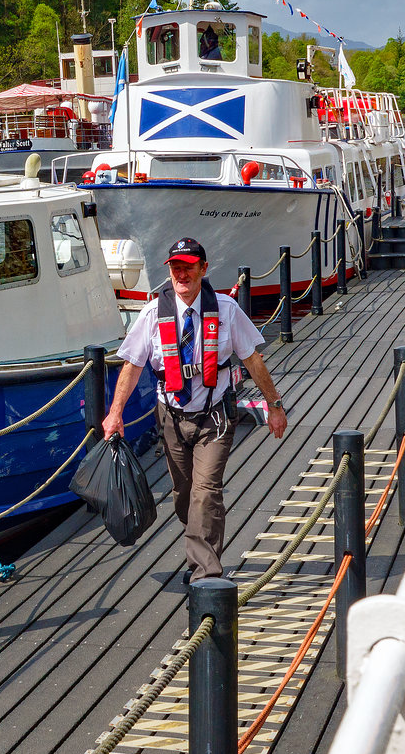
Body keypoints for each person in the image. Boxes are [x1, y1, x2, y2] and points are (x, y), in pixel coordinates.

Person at [103, 237, 288, 584]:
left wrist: (273, 405)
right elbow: (131, 366)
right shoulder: (152, 313)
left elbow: (252, 358)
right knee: (185, 495)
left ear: (204, 269)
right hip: (171, 417)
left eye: (189, 266)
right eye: (176, 267)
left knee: (206, 492)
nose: (182, 274)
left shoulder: (227, 310)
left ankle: (205, 574)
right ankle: (203, 547)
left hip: (214, 415)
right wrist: (115, 414)